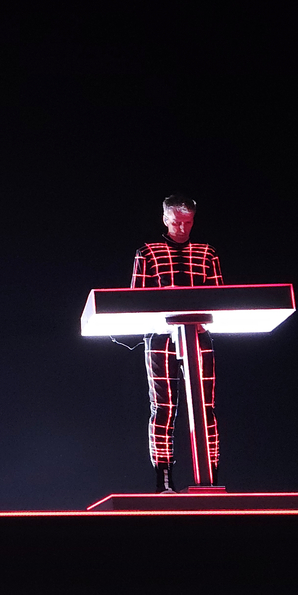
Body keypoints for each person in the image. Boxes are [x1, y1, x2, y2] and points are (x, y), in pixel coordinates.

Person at [130, 195, 223, 493]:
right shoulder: (148, 252)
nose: (182, 228)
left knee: (205, 408)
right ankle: (164, 481)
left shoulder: (207, 252)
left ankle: (210, 479)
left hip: (198, 334)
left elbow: (220, 296)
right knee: (164, 408)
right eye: (176, 222)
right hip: (160, 337)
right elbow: (135, 299)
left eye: (188, 222)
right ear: (165, 220)